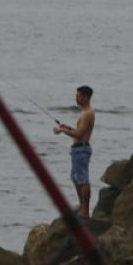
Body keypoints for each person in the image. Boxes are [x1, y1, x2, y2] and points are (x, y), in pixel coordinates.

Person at [54, 85, 95, 219]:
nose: (76, 98)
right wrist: (67, 127)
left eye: (78, 96)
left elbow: (79, 134)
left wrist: (63, 131)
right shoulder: (84, 112)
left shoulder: (88, 113)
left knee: (82, 179)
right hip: (78, 150)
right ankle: (82, 205)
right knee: (75, 177)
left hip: (82, 149)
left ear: (86, 97)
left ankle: (85, 210)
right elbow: (78, 132)